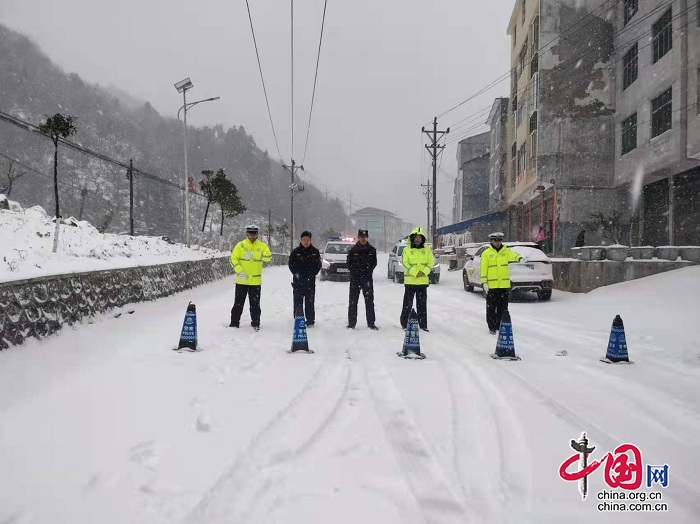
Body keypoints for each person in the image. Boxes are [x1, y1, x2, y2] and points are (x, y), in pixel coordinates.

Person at [480, 232, 527, 334]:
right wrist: (484, 282)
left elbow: (513, 255)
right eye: (495, 240)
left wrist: (520, 258)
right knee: (491, 308)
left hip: (503, 286)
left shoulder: (505, 251)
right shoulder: (486, 253)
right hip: (492, 287)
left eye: (499, 240)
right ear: (491, 241)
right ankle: (492, 327)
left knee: (503, 308)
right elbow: (483, 269)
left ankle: (500, 326)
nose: (497, 243)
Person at [229, 224, 272, 331]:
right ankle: (234, 323)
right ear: (247, 234)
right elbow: (233, 259)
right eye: (250, 234)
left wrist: (255, 255)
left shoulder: (262, 246)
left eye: (254, 234)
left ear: (257, 234)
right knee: (238, 304)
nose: (252, 236)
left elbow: (268, 257)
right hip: (242, 280)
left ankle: (255, 323)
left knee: (255, 305)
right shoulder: (240, 245)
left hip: (255, 281)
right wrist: (239, 271)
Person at [400, 227, 434, 332]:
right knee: (407, 304)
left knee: (422, 305)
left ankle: (423, 325)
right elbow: (405, 264)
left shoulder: (427, 250)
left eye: (420, 237)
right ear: (413, 238)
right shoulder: (406, 250)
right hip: (410, 282)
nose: (418, 239)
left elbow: (431, 263)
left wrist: (424, 272)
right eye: (416, 237)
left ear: (422, 238)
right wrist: (415, 272)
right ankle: (404, 324)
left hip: (422, 282)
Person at [288, 230, 322, 326]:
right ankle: (298, 320)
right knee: (298, 303)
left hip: (310, 282)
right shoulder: (296, 252)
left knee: (309, 303)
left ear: (311, 240)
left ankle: (310, 321)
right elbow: (291, 264)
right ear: (301, 240)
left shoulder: (315, 252)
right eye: (304, 239)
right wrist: (296, 274)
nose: (306, 241)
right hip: (298, 283)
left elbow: (318, 265)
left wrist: (311, 275)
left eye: (307, 239)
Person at [346, 229, 378, 330]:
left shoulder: (372, 250)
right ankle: (351, 323)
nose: (363, 239)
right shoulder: (352, 251)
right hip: (355, 279)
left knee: (369, 302)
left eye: (365, 237)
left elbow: (374, 263)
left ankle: (371, 323)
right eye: (361, 237)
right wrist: (354, 272)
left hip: (367, 279)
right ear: (358, 237)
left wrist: (367, 271)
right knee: (353, 302)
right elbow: (349, 263)